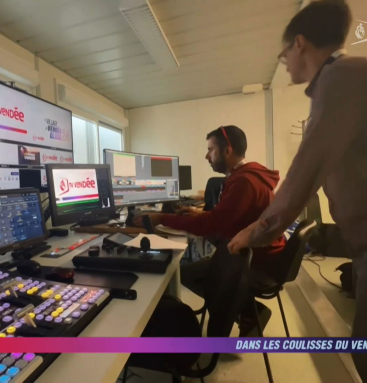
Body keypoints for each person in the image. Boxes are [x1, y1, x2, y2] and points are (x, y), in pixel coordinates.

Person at [226, 0, 367, 378]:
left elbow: (302, 178)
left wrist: (252, 233)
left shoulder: (341, 79)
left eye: (284, 50)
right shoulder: (347, 77)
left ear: (299, 44)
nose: (284, 59)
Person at [134, 125, 286, 335]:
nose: (207, 156)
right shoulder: (246, 174)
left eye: (210, 150)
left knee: (183, 273)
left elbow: (212, 226)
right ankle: (249, 312)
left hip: (256, 260)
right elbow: (224, 219)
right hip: (263, 253)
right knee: (197, 267)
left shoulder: (243, 181)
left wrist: (162, 217)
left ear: (227, 150)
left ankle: (246, 312)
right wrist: (197, 215)